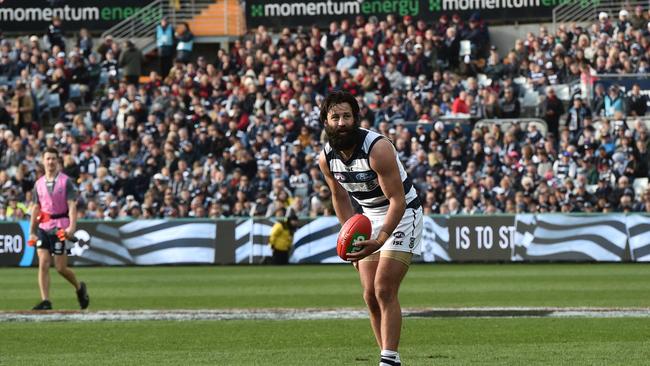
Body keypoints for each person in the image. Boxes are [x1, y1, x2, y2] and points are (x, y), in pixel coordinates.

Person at [318, 91, 422, 366]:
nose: (341, 122)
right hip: (367, 215)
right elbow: (339, 196)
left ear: (356, 118)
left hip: (402, 213)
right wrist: (349, 236)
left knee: (383, 288)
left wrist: (381, 238)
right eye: (335, 117)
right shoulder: (326, 158)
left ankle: (389, 360)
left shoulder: (377, 148)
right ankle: (387, 357)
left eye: (346, 116)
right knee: (369, 295)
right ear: (326, 122)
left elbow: (397, 200)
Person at [29, 147, 89, 310]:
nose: (50, 162)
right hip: (43, 227)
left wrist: (72, 227)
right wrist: (32, 231)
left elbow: (72, 206)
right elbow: (35, 208)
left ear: (58, 161)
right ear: (43, 161)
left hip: (60, 227)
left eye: (53, 159)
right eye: (48, 159)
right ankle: (46, 300)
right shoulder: (38, 184)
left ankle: (79, 287)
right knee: (43, 263)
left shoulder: (65, 181)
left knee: (61, 268)